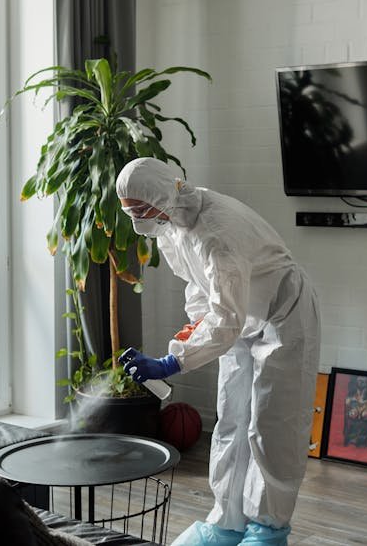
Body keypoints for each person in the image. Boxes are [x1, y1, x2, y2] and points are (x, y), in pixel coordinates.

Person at [116, 157, 321, 546]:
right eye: (131, 212)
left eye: (141, 209)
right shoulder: (170, 224)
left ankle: (266, 530)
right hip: (241, 319)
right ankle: (227, 522)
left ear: (161, 194)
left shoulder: (215, 231)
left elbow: (225, 317)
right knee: (231, 419)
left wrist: (172, 361)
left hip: (283, 315)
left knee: (271, 427)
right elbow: (198, 285)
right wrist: (194, 326)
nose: (138, 218)